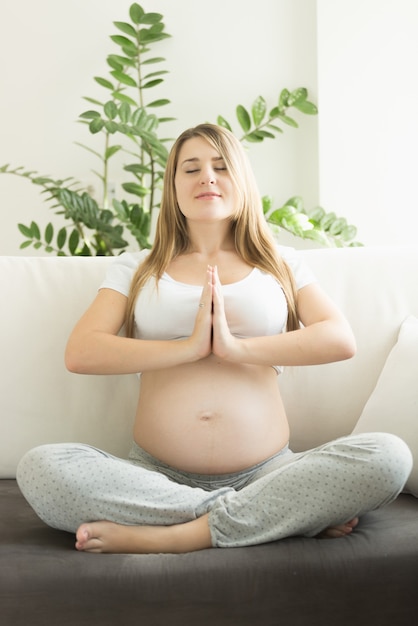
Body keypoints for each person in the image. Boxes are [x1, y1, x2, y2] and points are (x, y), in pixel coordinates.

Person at [17, 123, 412, 554]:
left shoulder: (281, 263)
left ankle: (183, 535)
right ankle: (272, 516)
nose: (207, 176)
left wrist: (235, 347)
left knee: (389, 457)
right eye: (191, 168)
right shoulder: (137, 266)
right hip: (154, 477)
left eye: (221, 166)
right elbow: (82, 350)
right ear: (173, 186)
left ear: (241, 182)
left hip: (271, 471)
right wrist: (187, 348)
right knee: (40, 468)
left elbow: (339, 339)